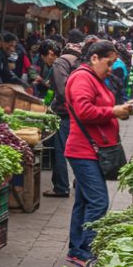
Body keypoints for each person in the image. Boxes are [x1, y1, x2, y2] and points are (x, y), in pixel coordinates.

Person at [63, 41, 132, 267]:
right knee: (99, 201)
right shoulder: (82, 78)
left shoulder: (94, 78)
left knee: (84, 201)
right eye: (108, 63)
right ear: (94, 58)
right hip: (84, 150)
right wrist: (113, 111)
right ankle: (86, 250)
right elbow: (84, 111)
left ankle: (76, 249)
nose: (111, 68)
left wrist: (118, 113)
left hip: (91, 150)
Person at [44, 30, 85, 198]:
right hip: (80, 111)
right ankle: (79, 181)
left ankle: (61, 187)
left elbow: (62, 91)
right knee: (78, 148)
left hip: (66, 113)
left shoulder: (61, 62)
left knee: (61, 150)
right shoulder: (80, 58)